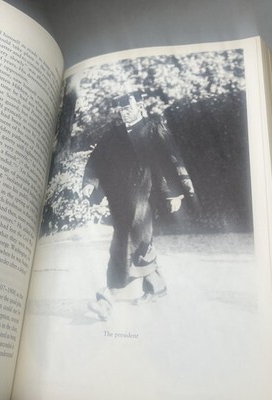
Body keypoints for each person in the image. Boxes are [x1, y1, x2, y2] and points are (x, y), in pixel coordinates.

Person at [82, 91, 194, 320]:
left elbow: (171, 161)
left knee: (126, 240)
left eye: (128, 108)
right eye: (121, 110)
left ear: (140, 106)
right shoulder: (114, 134)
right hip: (119, 198)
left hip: (146, 196)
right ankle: (157, 287)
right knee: (140, 241)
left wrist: (174, 193)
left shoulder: (154, 130)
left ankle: (108, 297)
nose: (124, 113)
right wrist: (90, 184)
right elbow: (97, 160)